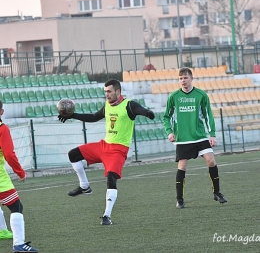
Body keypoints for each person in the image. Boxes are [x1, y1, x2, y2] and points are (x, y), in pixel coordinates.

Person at [58, 79, 155, 225]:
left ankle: (106, 216)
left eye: (109, 91)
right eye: (105, 92)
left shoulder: (129, 105)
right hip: (104, 146)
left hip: (118, 150)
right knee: (73, 154)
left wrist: (148, 113)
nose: (107, 94)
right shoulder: (107, 106)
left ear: (118, 91)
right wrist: (73, 115)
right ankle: (85, 187)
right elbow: (93, 117)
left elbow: (141, 110)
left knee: (111, 178)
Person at [163, 67, 227, 209]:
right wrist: (169, 131)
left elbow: (208, 115)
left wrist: (212, 134)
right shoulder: (174, 97)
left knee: (211, 161)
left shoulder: (201, 95)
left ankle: (217, 193)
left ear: (191, 78)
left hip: (200, 136)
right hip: (183, 138)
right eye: (180, 78)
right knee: (182, 166)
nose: (183, 81)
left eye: (185, 78)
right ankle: (179, 199)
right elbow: (166, 116)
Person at [0, 100, 38, 252]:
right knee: (16, 206)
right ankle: (19, 244)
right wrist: (20, 172)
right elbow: (9, 154)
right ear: (2, 111)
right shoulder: (2, 129)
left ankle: (2, 231)